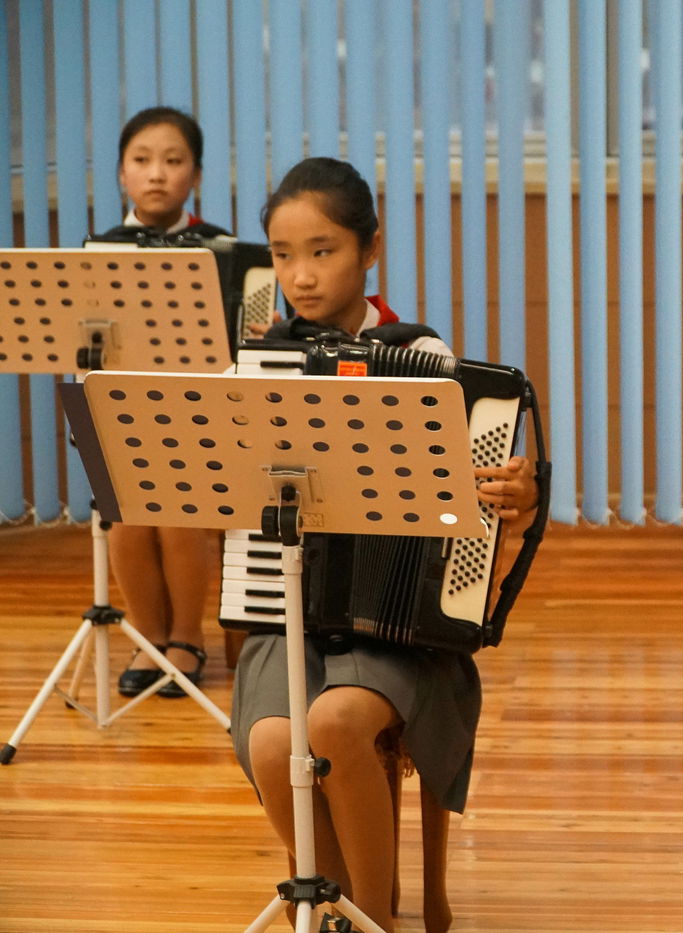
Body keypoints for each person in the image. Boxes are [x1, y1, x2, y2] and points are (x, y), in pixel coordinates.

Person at [231, 156, 537, 932]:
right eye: (282, 254)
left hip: (404, 632)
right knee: (272, 742)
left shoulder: (423, 359)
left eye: (322, 249)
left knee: (332, 724)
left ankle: (376, 916)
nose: (299, 275)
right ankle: (339, 904)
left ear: (371, 248)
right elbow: (231, 503)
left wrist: (512, 498)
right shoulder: (258, 362)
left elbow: (482, 514)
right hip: (289, 611)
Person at [102, 107, 225, 698]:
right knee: (123, 516)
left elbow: (242, 345)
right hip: (122, 410)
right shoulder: (97, 253)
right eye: (142, 161)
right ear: (122, 174)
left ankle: (187, 637)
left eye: (173, 162)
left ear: (195, 174)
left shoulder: (222, 251)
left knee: (177, 512)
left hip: (202, 414)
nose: (157, 174)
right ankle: (148, 640)